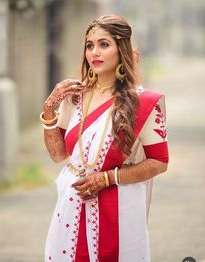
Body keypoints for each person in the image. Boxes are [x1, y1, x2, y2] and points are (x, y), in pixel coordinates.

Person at [40, 14, 169, 262]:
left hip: (118, 208)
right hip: (72, 206)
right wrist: (49, 111)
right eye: (90, 45)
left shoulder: (143, 103)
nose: (94, 53)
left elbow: (159, 162)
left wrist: (107, 178)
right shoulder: (75, 97)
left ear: (121, 50)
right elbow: (58, 156)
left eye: (104, 44)